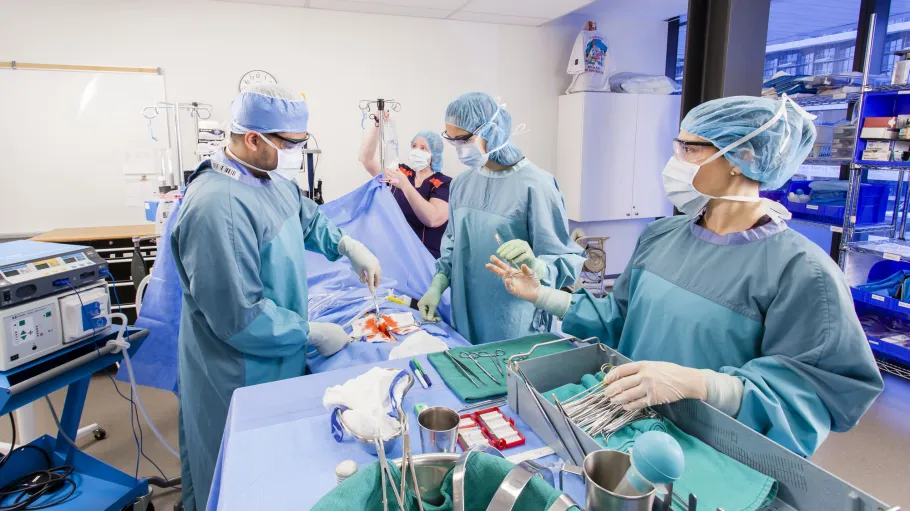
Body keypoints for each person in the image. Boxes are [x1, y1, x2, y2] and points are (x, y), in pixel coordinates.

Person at [487, 95, 884, 457]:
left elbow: (818, 392)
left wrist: (703, 385)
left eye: (689, 148)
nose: (674, 159)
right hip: (621, 427)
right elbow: (618, 319)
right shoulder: (662, 236)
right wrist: (541, 294)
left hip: (706, 453)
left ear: (740, 157)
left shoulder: (802, 271)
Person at [171, 83, 382, 511]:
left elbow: (306, 219)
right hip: (236, 368)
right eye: (291, 144)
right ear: (253, 139)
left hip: (278, 352)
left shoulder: (269, 181)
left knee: (281, 471)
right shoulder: (217, 207)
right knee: (239, 478)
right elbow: (240, 318)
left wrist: (345, 245)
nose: (297, 154)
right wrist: (311, 331)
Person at [419, 92, 585, 344]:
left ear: (492, 132)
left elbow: (563, 257)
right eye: (453, 141)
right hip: (465, 315)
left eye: (464, 140)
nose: (459, 149)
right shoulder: (463, 183)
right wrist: (437, 285)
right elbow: (452, 244)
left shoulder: (537, 185)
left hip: (516, 321)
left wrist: (538, 267)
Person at [359, 116, 452, 258]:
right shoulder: (402, 172)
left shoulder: (443, 183)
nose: (416, 151)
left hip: (427, 260)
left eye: (423, 148)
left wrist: (406, 186)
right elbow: (367, 159)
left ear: (433, 155)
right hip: (399, 256)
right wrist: (377, 124)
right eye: (414, 146)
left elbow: (432, 219)